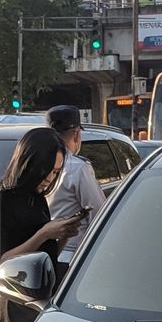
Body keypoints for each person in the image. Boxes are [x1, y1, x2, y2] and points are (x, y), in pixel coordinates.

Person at [0, 128, 81, 322]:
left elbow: (44, 258)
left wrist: (63, 234)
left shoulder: (37, 199)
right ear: (28, 162)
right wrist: (44, 233)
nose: (49, 179)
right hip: (17, 310)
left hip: (44, 306)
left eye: (56, 173)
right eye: (47, 171)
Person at [45, 105, 106, 254]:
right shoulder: (78, 167)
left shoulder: (38, 162)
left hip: (44, 250)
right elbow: (98, 213)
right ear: (76, 134)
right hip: (74, 254)